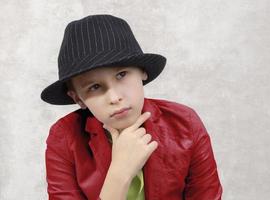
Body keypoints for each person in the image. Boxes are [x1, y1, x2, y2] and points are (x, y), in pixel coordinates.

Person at [40, 14, 223, 200]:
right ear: (78, 98)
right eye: (94, 87)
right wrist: (119, 174)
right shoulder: (64, 138)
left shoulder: (185, 124)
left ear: (142, 70)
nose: (115, 97)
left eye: (121, 75)